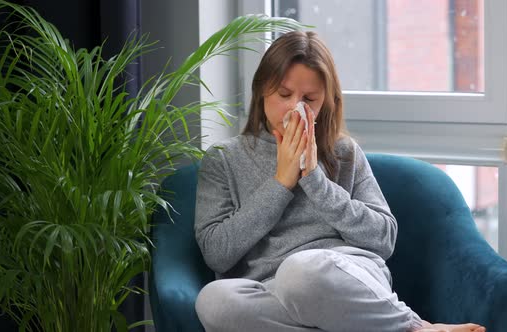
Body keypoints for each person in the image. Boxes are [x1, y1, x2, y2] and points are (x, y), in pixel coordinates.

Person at [193, 30, 486, 332]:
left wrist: (314, 178)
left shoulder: (344, 152)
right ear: (261, 91)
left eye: (309, 98)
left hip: (339, 278)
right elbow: (218, 254)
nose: (295, 107)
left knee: (301, 273)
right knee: (214, 300)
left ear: (326, 102)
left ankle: (414, 328)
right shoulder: (224, 159)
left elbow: (383, 240)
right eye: (284, 94)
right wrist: (281, 182)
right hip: (269, 293)